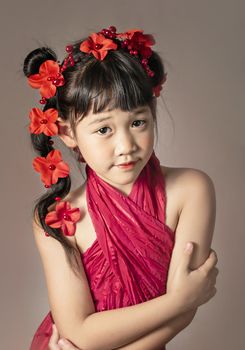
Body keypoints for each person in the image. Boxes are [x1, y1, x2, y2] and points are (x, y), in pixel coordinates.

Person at [24, 26, 218, 350]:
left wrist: (183, 303)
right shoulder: (60, 218)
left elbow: (185, 314)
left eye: (138, 122)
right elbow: (80, 334)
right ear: (68, 133)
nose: (125, 145)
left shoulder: (191, 190)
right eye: (103, 129)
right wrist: (179, 300)